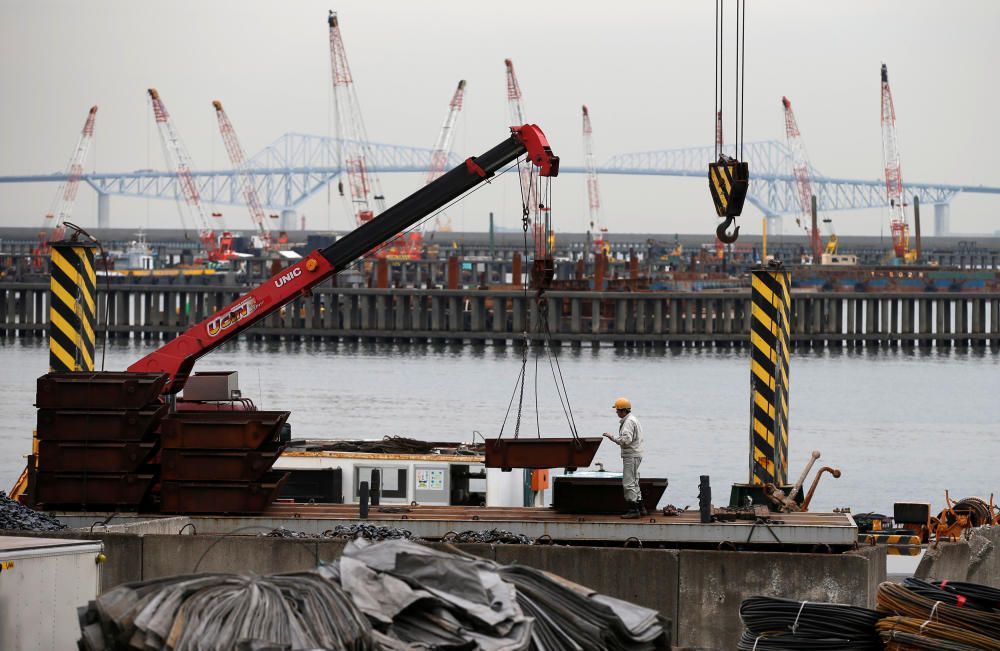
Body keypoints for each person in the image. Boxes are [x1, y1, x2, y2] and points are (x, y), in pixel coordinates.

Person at [602, 397, 646, 519]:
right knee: (634, 480)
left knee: (628, 483)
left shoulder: (628, 422)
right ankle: (641, 507)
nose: (616, 412)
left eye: (617, 410)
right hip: (636, 454)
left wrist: (612, 437)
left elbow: (626, 440)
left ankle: (633, 510)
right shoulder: (633, 419)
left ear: (623, 411)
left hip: (631, 455)